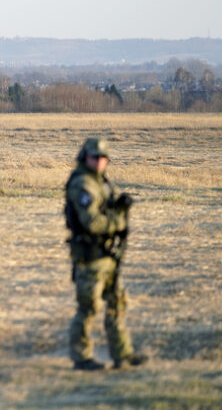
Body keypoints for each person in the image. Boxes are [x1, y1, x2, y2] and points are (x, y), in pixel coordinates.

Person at [64, 138, 148, 370]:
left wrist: (118, 206)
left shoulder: (100, 182)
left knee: (117, 303)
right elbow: (91, 221)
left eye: (103, 158)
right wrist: (118, 220)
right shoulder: (83, 184)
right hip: (91, 255)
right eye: (95, 157)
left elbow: (104, 211)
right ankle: (81, 358)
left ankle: (122, 354)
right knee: (89, 308)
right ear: (85, 156)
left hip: (107, 254)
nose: (100, 162)